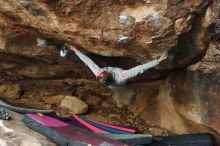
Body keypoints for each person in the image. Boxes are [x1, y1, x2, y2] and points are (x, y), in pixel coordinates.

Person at [70, 46, 167, 89]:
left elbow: (88, 62)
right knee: (121, 83)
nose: (99, 71)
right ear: (109, 74)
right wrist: (158, 61)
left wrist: (76, 50)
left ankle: (69, 55)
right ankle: (126, 85)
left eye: (99, 72)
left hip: (112, 77)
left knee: (97, 58)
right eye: (101, 71)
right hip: (120, 83)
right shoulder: (123, 75)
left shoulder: (98, 73)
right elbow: (140, 69)